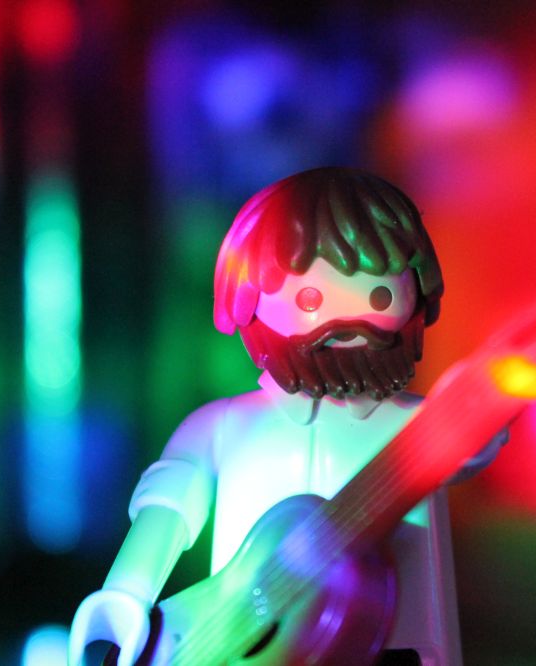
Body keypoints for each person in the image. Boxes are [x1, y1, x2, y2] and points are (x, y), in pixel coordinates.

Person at [69, 167, 505, 665]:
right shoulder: (225, 425)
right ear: (246, 294)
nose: (347, 320)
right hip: (242, 647)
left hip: (395, 648)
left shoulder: (417, 427)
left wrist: (482, 406)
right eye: (310, 298)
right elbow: (170, 505)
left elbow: (469, 447)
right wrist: (124, 595)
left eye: (379, 296)